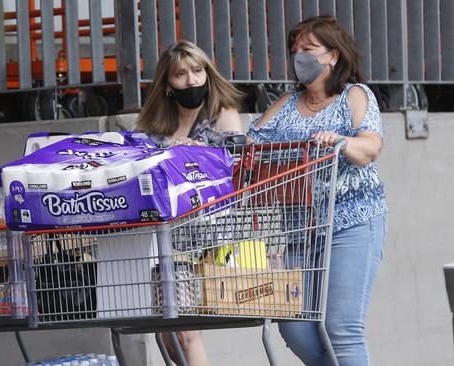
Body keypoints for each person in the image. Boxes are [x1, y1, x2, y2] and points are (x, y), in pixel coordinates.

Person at [247, 15, 388, 366]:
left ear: (333, 56)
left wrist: (341, 140)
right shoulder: (286, 103)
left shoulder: (354, 96)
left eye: (308, 49)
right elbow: (248, 146)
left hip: (351, 222)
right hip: (301, 228)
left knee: (340, 327)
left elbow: (370, 146)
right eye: (295, 50)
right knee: (293, 326)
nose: (300, 57)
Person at [135, 40, 244, 366]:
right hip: (164, 237)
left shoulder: (221, 114)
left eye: (197, 71)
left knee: (185, 331)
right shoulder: (153, 126)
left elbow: (236, 166)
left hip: (207, 234)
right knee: (170, 334)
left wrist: (198, 154)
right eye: (181, 74)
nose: (191, 80)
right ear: (167, 84)